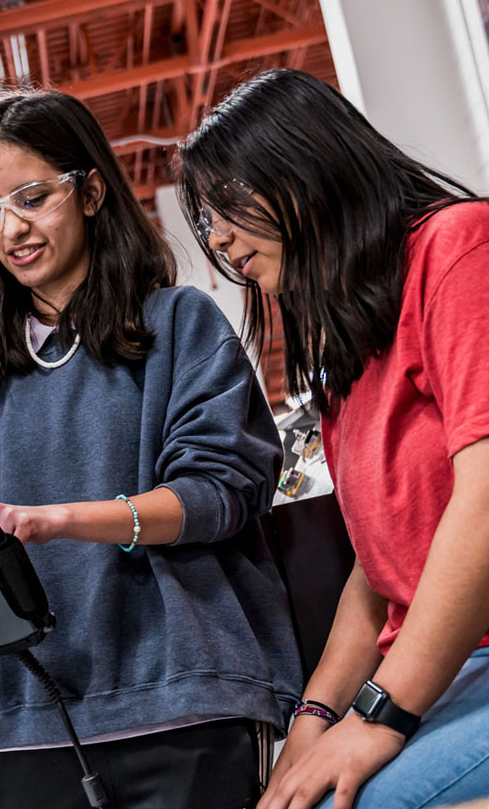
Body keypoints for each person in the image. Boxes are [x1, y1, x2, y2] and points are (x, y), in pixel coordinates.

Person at [0, 88, 302, 809]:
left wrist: (62, 520)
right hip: (33, 725)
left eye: (33, 198)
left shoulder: (179, 324)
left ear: (90, 192)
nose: (11, 228)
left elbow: (222, 491)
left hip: (189, 701)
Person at [178, 67, 489, 809]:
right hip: (446, 666)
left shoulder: (457, 247)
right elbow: (377, 575)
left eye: (228, 202)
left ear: (304, 167)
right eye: (207, 218)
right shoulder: (349, 356)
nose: (218, 236)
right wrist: (313, 720)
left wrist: (380, 719)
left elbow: (485, 502)